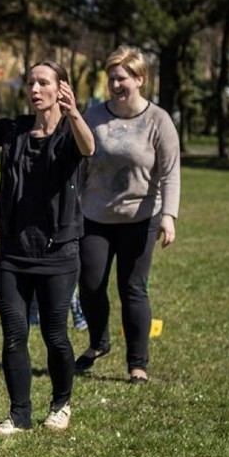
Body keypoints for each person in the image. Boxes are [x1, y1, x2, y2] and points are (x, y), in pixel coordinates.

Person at [0, 50, 95, 437]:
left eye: (43, 82)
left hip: (59, 252)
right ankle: (19, 414)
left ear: (61, 88)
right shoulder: (15, 130)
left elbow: (89, 148)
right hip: (13, 251)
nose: (35, 89)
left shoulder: (71, 132)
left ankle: (61, 404)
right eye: (31, 82)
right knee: (13, 334)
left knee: (55, 334)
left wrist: (74, 113)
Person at [76, 46, 180, 385]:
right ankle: (98, 342)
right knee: (90, 285)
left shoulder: (158, 120)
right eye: (111, 79)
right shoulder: (93, 116)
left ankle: (138, 364)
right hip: (94, 215)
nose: (116, 85)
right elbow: (80, 162)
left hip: (141, 217)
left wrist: (168, 216)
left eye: (122, 78)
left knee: (133, 288)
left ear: (140, 79)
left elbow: (170, 173)